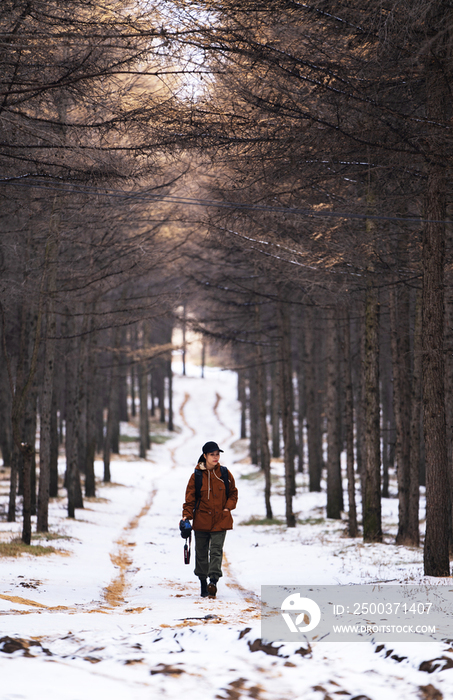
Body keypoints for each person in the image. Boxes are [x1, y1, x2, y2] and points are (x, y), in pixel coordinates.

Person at [182, 441, 238, 598]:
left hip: (221, 519)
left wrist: (227, 508)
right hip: (201, 520)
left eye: (217, 454)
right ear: (205, 456)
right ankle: (202, 582)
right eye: (212, 454)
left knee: (216, 550)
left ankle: (213, 581)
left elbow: (233, 493)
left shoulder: (225, 474)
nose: (215, 457)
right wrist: (186, 517)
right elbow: (189, 500)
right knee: (201, 552)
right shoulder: (196, 476)